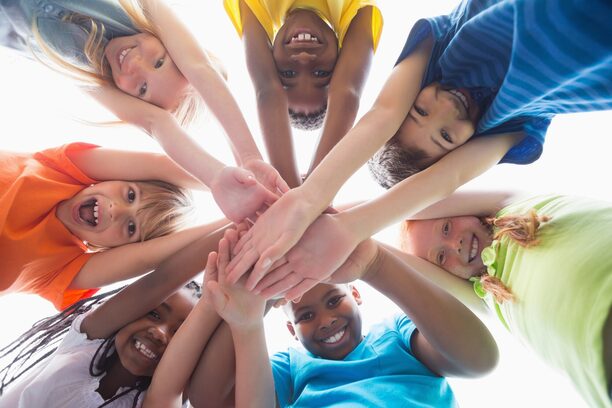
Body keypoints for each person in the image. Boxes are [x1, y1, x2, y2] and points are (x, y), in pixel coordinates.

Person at [224, 0, 612, 297]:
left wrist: (308, 198)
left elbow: (382, 112)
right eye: (445, 137)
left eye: (419, 110)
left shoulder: (442, 45)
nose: (443, 108)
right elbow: (451, 177)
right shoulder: (512, 123)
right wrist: (348, 230)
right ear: (463, 148)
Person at [1, 0, 287, 222]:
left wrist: (214, 176)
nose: (136, 65)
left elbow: (156, 122)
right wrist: (249, 156)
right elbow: (200, 67)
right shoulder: (138, 13)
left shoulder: (87, 72)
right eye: (160, 62)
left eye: (141, 89)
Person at [175, 227, 498, 407]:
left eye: (334, 300)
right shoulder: (290, 367)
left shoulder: (396, 335)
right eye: (306, 315)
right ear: (290, 327)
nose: (326, 320)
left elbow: (478, 360)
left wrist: (375, 264)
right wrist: (250, 315)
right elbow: (209, 400)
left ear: (355, 295)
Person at [399, 191, 612, 407]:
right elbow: (401, 266)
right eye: (441, 257)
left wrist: (365, 221)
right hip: (601, 358)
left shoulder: (510, 203)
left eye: (446, 228)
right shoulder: (485, 295)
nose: (456, 245)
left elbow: (407, 202)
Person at [0, 224, 227, 407]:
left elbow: (238, 313)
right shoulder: (85, 344)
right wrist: (244, 221)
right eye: (154, 315)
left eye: (180, 334)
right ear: (131, 312)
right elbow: (161, 281)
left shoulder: (160, 401)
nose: (159, 333)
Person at [0, 142, 227, 310]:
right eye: (130, 195)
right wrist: (230, 184)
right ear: (117, 176)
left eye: (131, 228)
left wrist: (235, 220)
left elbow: (147, 257)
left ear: (120, 249)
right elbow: (158, 165)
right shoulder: (61, 170)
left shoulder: (63, 268)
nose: (116, 210)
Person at [224, 0, 383, 187]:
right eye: (321, 73)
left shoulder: (259, 5)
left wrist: (290, 191)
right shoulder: (352, 6)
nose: (304, 58)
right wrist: (314, 193)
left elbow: (267, 89)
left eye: (288, 74)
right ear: (342, 59)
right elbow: (347, 92)